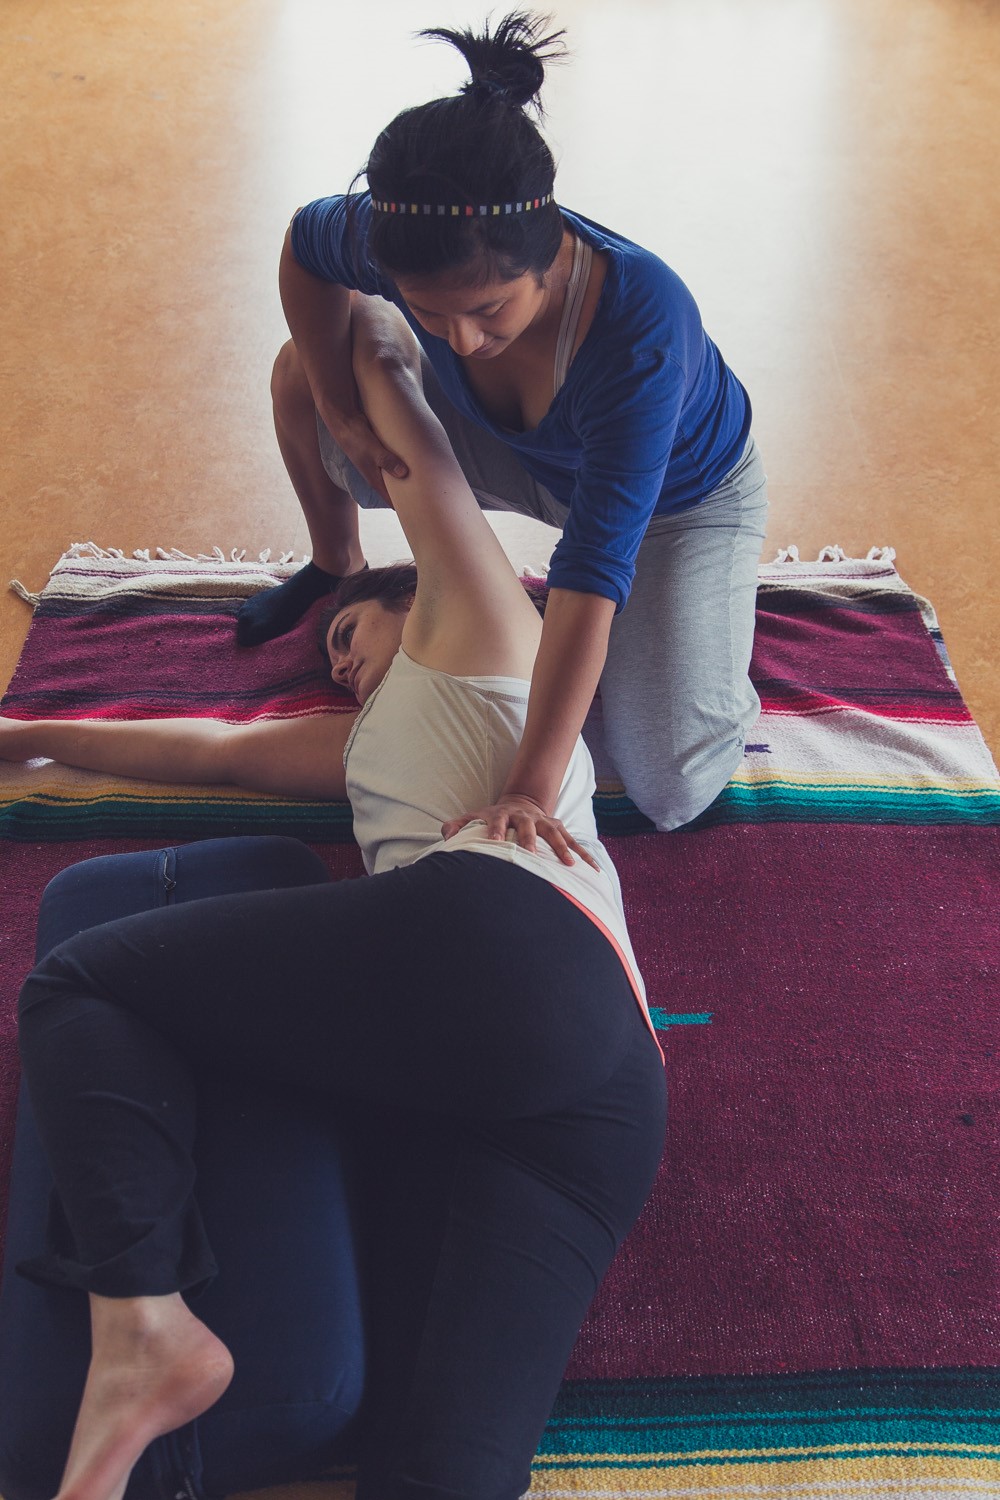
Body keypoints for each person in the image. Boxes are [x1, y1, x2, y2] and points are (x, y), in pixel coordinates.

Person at [4, 296, 667, 1500]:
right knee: (436, 1469)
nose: (337, 660)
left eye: (346, 634)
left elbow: (412, 447)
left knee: (83, 985)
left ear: (410, 597)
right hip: (595, 1090)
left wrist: (348, 320)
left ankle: (142, 1320)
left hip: (508, 946)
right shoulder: (373, 743)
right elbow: (211, 754)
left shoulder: (476, 628)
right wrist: (32, 740)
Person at [238, 10, 769, 839]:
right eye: (430, 312)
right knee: (303, 375)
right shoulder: (400, 235)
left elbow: (589, 572)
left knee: (669, 782)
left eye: (489, 310)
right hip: (524, 449)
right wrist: (343, 413)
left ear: (550, 247)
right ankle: (332, 557)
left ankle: (711, 641)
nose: (466, 340)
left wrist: (526, 788)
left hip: (679, 498)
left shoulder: (642, 330)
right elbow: (306, 248)